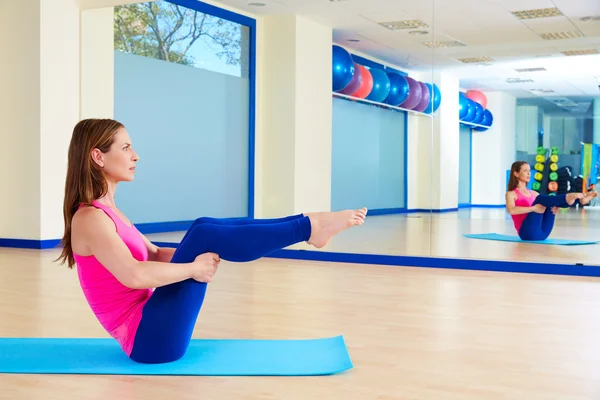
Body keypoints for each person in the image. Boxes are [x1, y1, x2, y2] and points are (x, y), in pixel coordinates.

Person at [56, 118, 367, 364]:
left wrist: (205, 252)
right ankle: (310, 228)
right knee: (204, 233)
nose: (135, 156)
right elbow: (135, 275)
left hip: (153, 327)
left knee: (203, 229)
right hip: (148, 342)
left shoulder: (109, 212)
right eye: (125, 148)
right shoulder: (90, 218)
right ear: (98, 156)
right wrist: (193, 268)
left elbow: (152, 254)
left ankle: (310, 227)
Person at [505, 161, 596, 241]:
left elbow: (546, 205)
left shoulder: (533, 193)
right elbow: (511, 210)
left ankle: (578, 201)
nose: (529, 173)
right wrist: (533, 208)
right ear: (516, 173)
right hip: (527, 234)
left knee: (548, 202)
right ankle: (574, 198)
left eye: (529, 171)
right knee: (541, 199)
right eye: (525, 171)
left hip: (543, 233)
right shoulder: (511, 193)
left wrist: (557, 207)